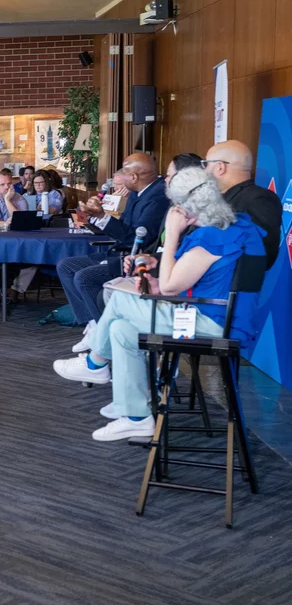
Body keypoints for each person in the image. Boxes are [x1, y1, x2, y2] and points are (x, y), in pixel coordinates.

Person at [53, 166, 267, 441]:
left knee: (119, 299)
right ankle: (136, 416)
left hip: (208, 324)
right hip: (214, 316)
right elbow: (196, 275)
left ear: (185, 206)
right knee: (120, 329)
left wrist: (173, 232)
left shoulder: (210, 238)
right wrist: (156, 262)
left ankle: (95, 364)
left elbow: (169, 286)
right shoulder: (232, 225)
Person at [57, 152, 169, 331]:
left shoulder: (157, 197)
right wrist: (95, 216)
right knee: (66, 266)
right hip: (118, 252)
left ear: (133, 176)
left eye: (124, 173)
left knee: (84, 278)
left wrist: (102, 216)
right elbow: (123, 227)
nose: (121, 178)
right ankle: (92, 324)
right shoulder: (137, 192)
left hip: (135, 261)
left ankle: (104, 333)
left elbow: (136, 240)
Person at [204, 140, 283, 269]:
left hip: (227, 285)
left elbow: (263, 254)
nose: (204, 170)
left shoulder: (259, 199)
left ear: (220, 167)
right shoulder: (219, 197)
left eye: (206, 164)